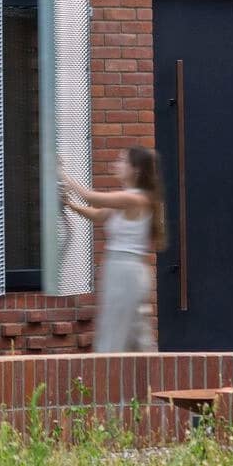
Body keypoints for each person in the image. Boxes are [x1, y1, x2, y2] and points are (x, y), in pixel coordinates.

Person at [61, 147, 166, 353]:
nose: (117, 164)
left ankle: (108, 378)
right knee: (136, 335)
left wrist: (61, 173)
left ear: (135, 170)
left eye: (122, 161)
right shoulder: (130, 198)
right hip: (120, 269)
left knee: (115, 333)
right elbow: (98, 214)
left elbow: (91, 198)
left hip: (126, 271)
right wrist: (69, 205)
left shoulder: (136, 199)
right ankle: (149, 378)